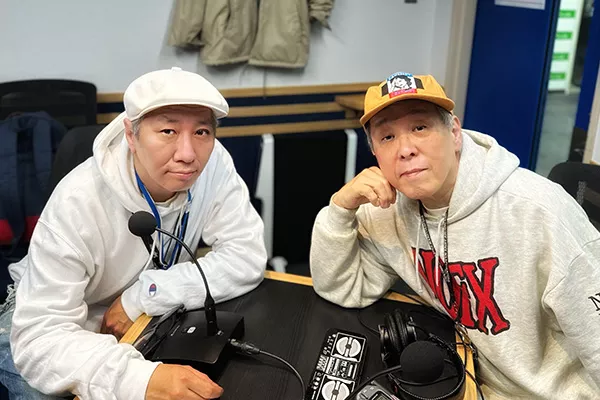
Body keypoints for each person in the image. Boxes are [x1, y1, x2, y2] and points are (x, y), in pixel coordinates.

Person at [310, 72, 600, 399]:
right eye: (387, 137)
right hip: (467, 375)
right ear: (375, 152)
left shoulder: (541, 212)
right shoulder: (387, 209)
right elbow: (342, 288)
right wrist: (340, 209)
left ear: (455, 133)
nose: (405, 149)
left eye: (420, 127)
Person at [0, 67, 267, 399]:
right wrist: (137, 379)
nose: (188, 155)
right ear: (131, 135)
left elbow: (247, 255)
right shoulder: (77, 200)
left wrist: (144, 295)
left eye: (202, 131)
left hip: (140, 309)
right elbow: (39, 340)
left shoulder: (214, 164)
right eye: (168, 131)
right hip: (46, 315)